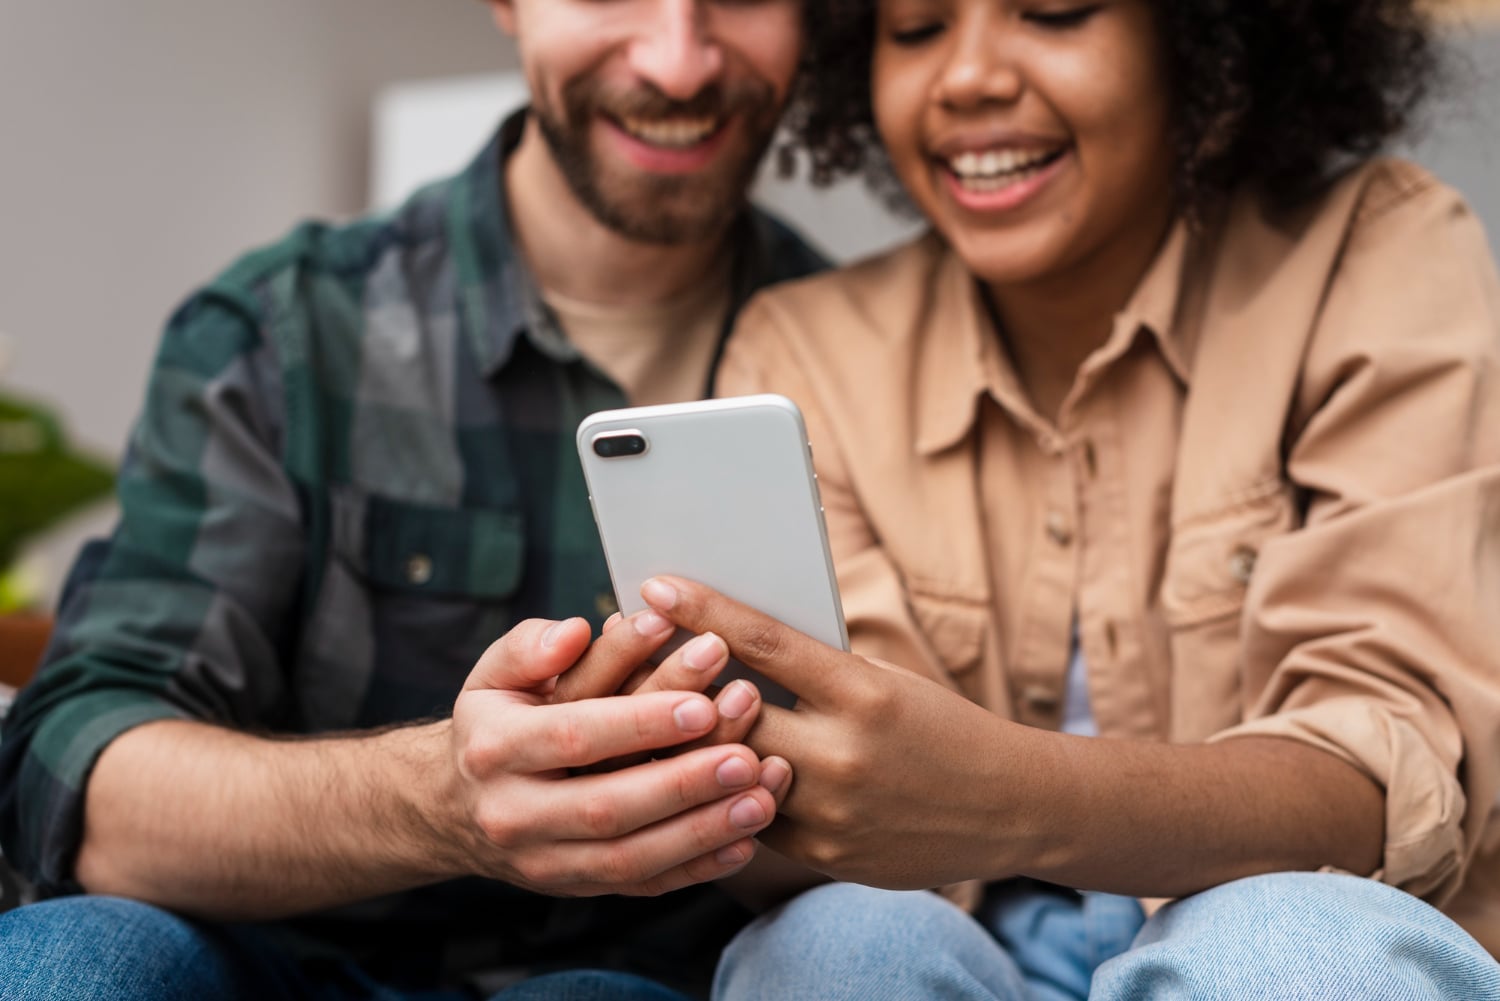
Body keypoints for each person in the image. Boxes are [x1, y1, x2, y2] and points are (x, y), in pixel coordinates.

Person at [613, 0, 1500, 996]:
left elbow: (1388, 778)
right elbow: (836, 825)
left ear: (1198, 40)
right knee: (832, 944)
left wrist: (1010, 795)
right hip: (973, 938)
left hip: (1281, 929)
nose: (967, 77)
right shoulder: (808, 350)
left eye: (1054, 11)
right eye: (914, 29)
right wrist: (707, 770)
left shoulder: (1373, 251)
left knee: (1286, 944)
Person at [0, 1, 828, 998]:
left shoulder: (878, 358)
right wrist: (439, 797)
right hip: (275, 965)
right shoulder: (284, 329)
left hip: (635, 977)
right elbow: (76, 780)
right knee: (76, 964)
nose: (679, 62)